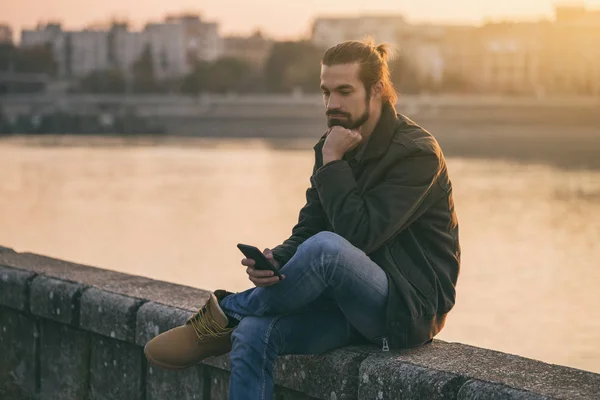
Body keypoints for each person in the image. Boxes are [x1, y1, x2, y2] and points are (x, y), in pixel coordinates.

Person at [144, 39, 460, 399]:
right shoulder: (333, 146)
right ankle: (232, 322)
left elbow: (360, 236)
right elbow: (310, 227)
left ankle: (226, 311)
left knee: (327, 249)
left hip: (402, 310)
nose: (332, 104)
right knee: (251, 334)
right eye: (326, 92)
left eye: (344, 92)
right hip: (342, 305)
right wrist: (278, 259)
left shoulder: (416, 153)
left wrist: (334, 161)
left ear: (377, 91)